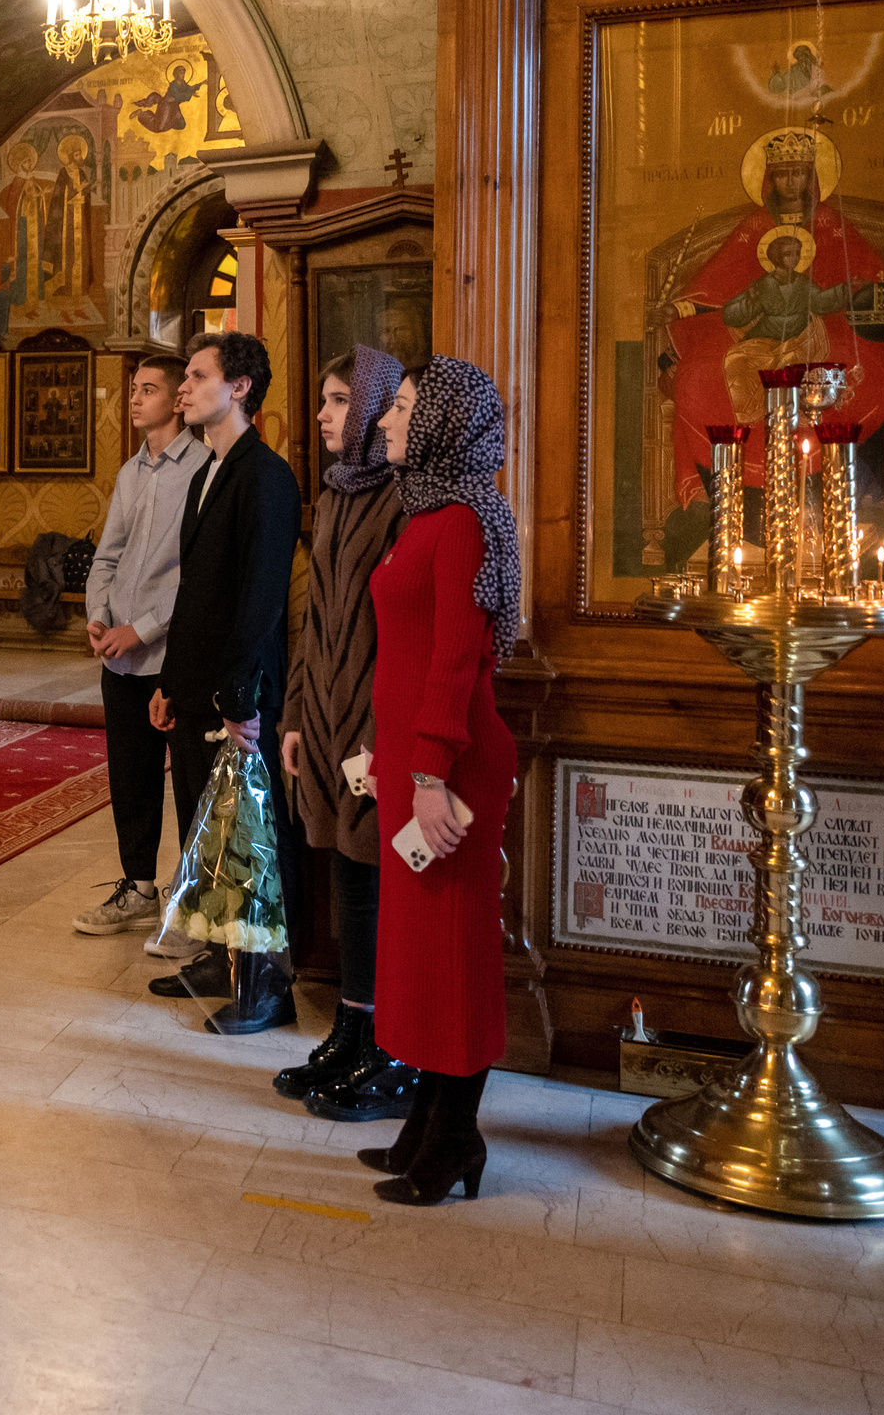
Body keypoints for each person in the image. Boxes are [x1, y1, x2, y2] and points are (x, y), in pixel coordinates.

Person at [360, 355, 521, 1205]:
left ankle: (454, 1138)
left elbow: (458, 657)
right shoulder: (422, 512)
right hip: (414, 764)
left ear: (443, 423)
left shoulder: (461, 519)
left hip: (449, 770)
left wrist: (425, 770)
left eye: (406, 407)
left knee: (455, 952)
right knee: (421, 952)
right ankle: (428, 1121)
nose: (387, 420)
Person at [148, 330, 301, 1034]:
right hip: (199, 688)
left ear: (239, 387)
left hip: (240, 695)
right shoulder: (208, 471)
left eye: (197, 375)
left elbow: (258, 600)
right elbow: (197, 593)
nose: (183, 388)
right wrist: (171, 683)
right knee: (204, 830)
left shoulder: (265, 476)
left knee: (245, 842)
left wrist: (240, 700)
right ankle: (215, 956)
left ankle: (264, 988)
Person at [275, 347, 413, 1120]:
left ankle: (384, 1040)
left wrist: (370, 732)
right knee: (345, 881)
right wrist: (296, 715)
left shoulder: (403, 496)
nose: (323, 415)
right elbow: (315, 618)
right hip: (324, 719)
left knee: (378, 887)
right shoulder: (333, 494)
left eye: (336, 400)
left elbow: (394, 630)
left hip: (371, 724)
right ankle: (352, 1032)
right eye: (325, 401)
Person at [73, 354, 208, 944]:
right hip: (119, 653)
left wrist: (145, 626)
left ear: (177, 399)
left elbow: (199, 573)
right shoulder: (131, 472)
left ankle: (191, 895)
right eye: (133, 388)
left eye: (148, 389)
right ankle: (137, 887)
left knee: (188, 783)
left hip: (170, 655)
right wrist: (99, 615)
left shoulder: (204, 468)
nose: (134, 398)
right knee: (130, 775)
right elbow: (108, 556)